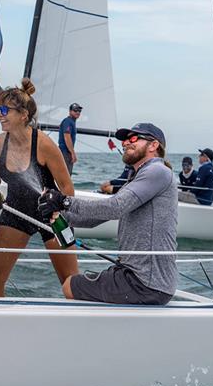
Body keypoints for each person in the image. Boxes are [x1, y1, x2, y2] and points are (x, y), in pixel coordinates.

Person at [38, 122, 177, 305]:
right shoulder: (138, 177)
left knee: (69, 286)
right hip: (139, 278)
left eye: (133, 138)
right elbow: (100, 217)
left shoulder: (157, 170)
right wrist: (62, 215)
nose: (126, 143)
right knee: (75, 283)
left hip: (144, 284)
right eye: (125, 140)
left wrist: (65, 201)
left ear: (153, 145)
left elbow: (115, 207)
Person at [0, 78, 78, 297]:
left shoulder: (44, 144)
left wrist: (58, 211)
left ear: (24, 115)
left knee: (70, 282)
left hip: (53, 217)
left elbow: (67, 188)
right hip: (16, 211)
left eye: (5, 110)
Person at [57, 103, 82, 174]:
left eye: (79, 111)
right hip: (65, 152)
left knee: (66, 175)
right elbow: (67, 137)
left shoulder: (70, 122)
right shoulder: (68, 121)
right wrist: (73, 153)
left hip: (65, 152)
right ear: (70, 111)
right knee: (66, 175)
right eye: (75, 110)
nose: (78, 112)